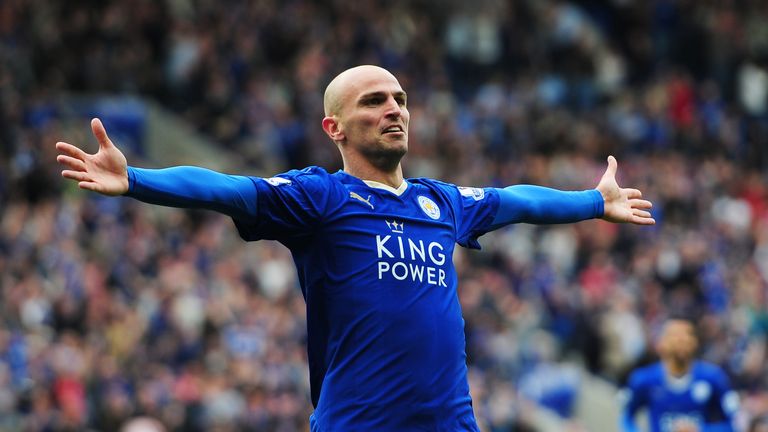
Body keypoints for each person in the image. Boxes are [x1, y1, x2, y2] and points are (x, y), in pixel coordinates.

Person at [56, 65, 655, 431]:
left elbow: (515, 201)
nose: (393, 109)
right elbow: (228, 190)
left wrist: (592, 202)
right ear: (333, 128)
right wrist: (137, 180)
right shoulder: (321, 198)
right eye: (373, 101)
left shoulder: (441, 203)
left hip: (450, 424)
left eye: (398, 99)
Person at [620, 319, 739, 432]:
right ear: (661, 343)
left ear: (695, 342)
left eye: (688, 334)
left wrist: (701, 430)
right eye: (674, 335)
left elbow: (734, 423)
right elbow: (626, 417)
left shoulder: (714, 377)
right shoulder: (643, 379)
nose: (682, 339)